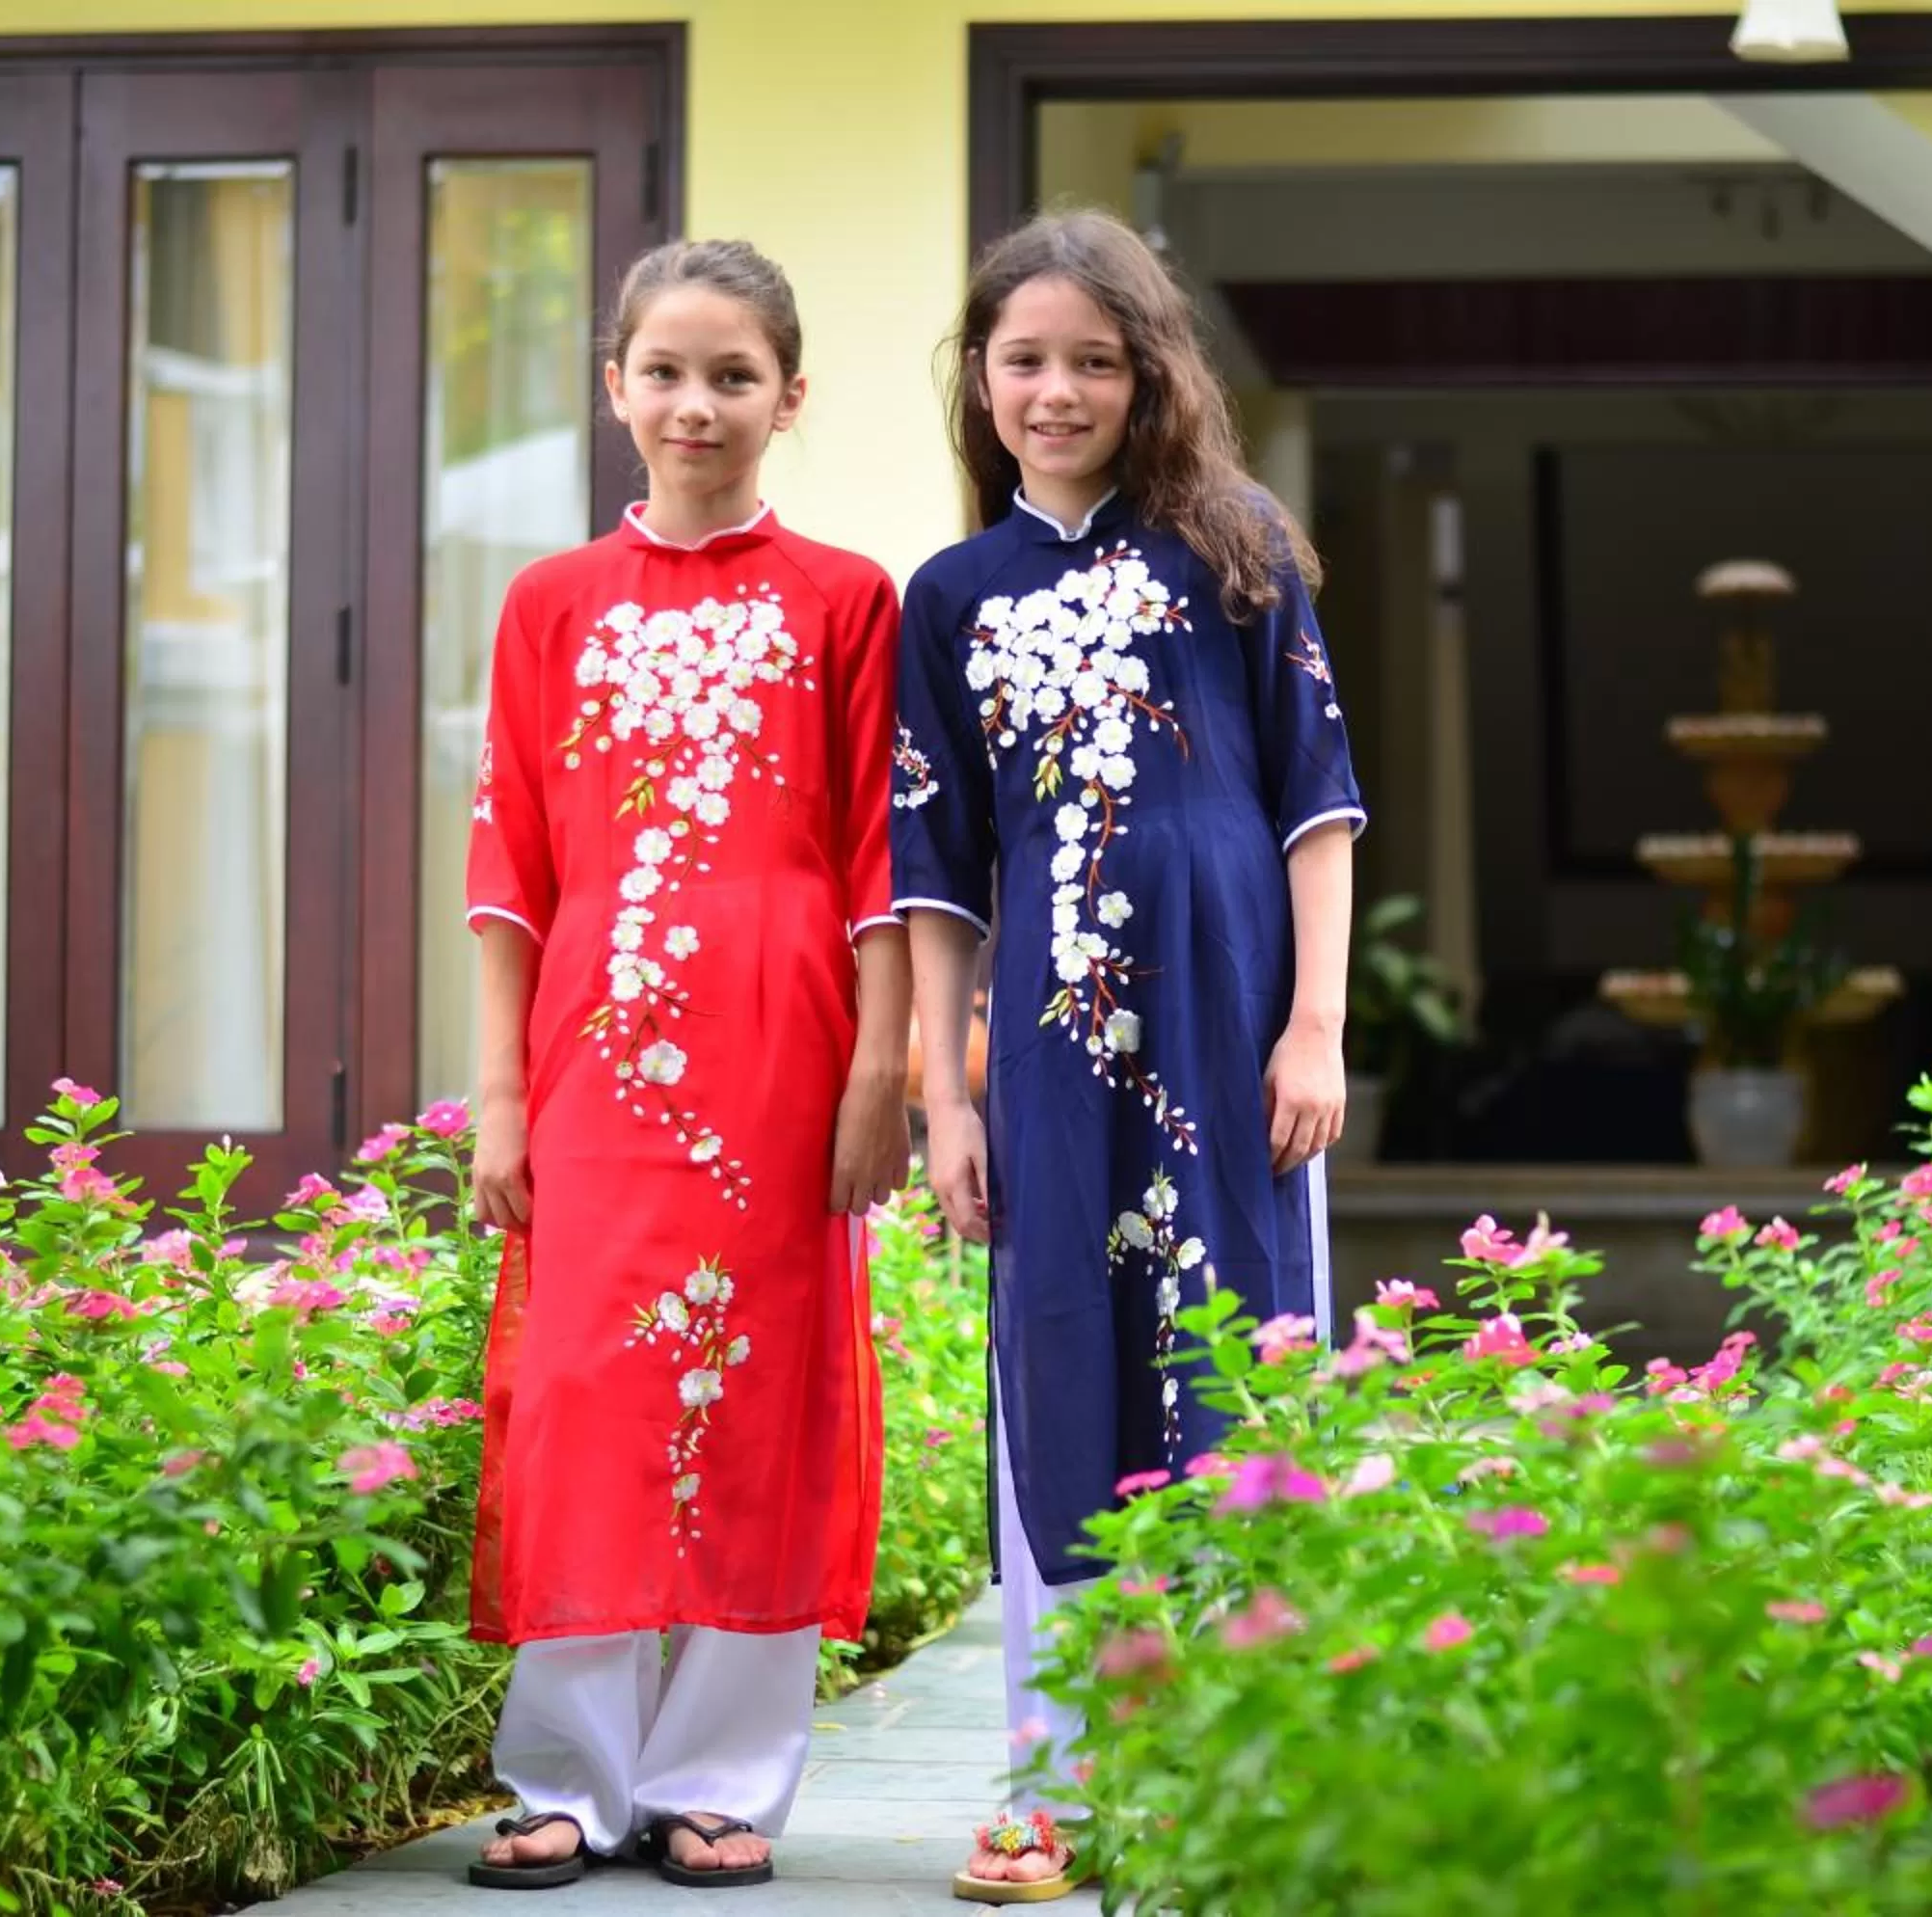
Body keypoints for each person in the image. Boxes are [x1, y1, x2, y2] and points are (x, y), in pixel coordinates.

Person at [892, 208, 1363, 1904]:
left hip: (1233, 1023)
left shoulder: (1238, 547)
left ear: (1152, 372)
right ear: (982, 381)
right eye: (1025, 359)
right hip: (1043, 1048)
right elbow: (937, 874)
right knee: (1063, 1361)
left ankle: (1246, 1775)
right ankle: (1060, 1789)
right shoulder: (947, 598)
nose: (1059, 388)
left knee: (1239, 1356)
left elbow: (1319, 807)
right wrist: (943, 1095)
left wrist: (1316, 1025)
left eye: (1096, 358)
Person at [460, 237, 912, 1893]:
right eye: (665, 370)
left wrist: (887, 1069)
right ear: (615, 389)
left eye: (734, 376)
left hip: (790, 1046)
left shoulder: (850, 599)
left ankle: (720, 1778)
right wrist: (501, 1094)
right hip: (594, 1045)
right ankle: (568, 1775)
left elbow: (883, 853)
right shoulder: (548, 604)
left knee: (760, 1393)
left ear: (791, 399)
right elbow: (512, 858)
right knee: (583, 1390)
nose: (696, 403)